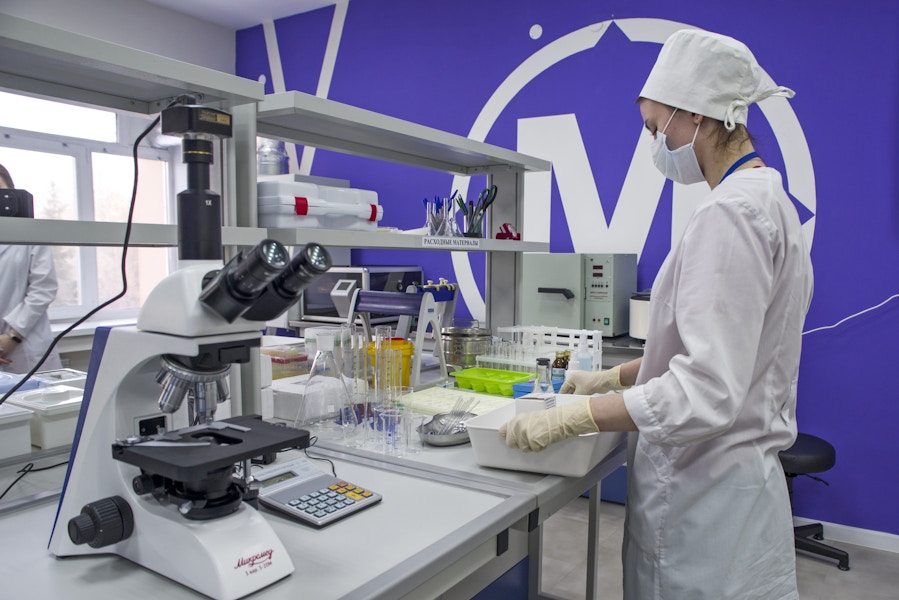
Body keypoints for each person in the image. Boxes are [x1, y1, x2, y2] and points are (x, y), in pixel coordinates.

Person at [500, 29, 813, 600]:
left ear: (699, 116)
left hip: (702, 506)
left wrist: (575, 416)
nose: (653, 143)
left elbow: (704, 390)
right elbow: (709, 351)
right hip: (732, 496)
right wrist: (612, 376)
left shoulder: (732, 216)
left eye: (655, 128)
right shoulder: (768, 198)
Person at [0, 163, 63, 374]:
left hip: (25, 348)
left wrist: (12, 337)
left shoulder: (30, 233)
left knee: (38, 404)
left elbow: (43, 289)